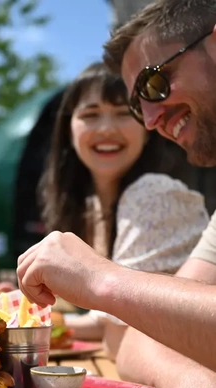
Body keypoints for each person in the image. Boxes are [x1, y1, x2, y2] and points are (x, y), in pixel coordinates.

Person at [17, 1, 216, 388]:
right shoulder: (87, 208)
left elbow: (142, 327)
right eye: (137, 103)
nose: (148, 118)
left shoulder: (154, 195)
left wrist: (101, 281)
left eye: (154, 82)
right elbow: (154, 334)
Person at [38, 61, 208, 358]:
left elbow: (120, 336)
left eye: (123, 113)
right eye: (91, 115)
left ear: (147, 128)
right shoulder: (91, 205)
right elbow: (107, 321)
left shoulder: (154, 195)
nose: (106, 129)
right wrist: (20, 315)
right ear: (69, 129)